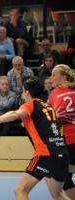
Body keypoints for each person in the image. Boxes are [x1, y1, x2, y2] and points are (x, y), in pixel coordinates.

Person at [0, 77, 69, 200]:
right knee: (56, 194)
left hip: (45, 155)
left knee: (21, 191)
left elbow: (16, 114)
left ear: (27, 93)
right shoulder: (47, 105)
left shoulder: (30, 104)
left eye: (23, 90)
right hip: (62, 154)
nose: (22, 93)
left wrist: (0, 118)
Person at [48, 64, 75, 199]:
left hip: (70, 141)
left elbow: (52, 118)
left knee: (63, 178)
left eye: (54, 75)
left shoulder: (56, 93)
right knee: (67, 176)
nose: (51, 77)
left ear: (63, 77)